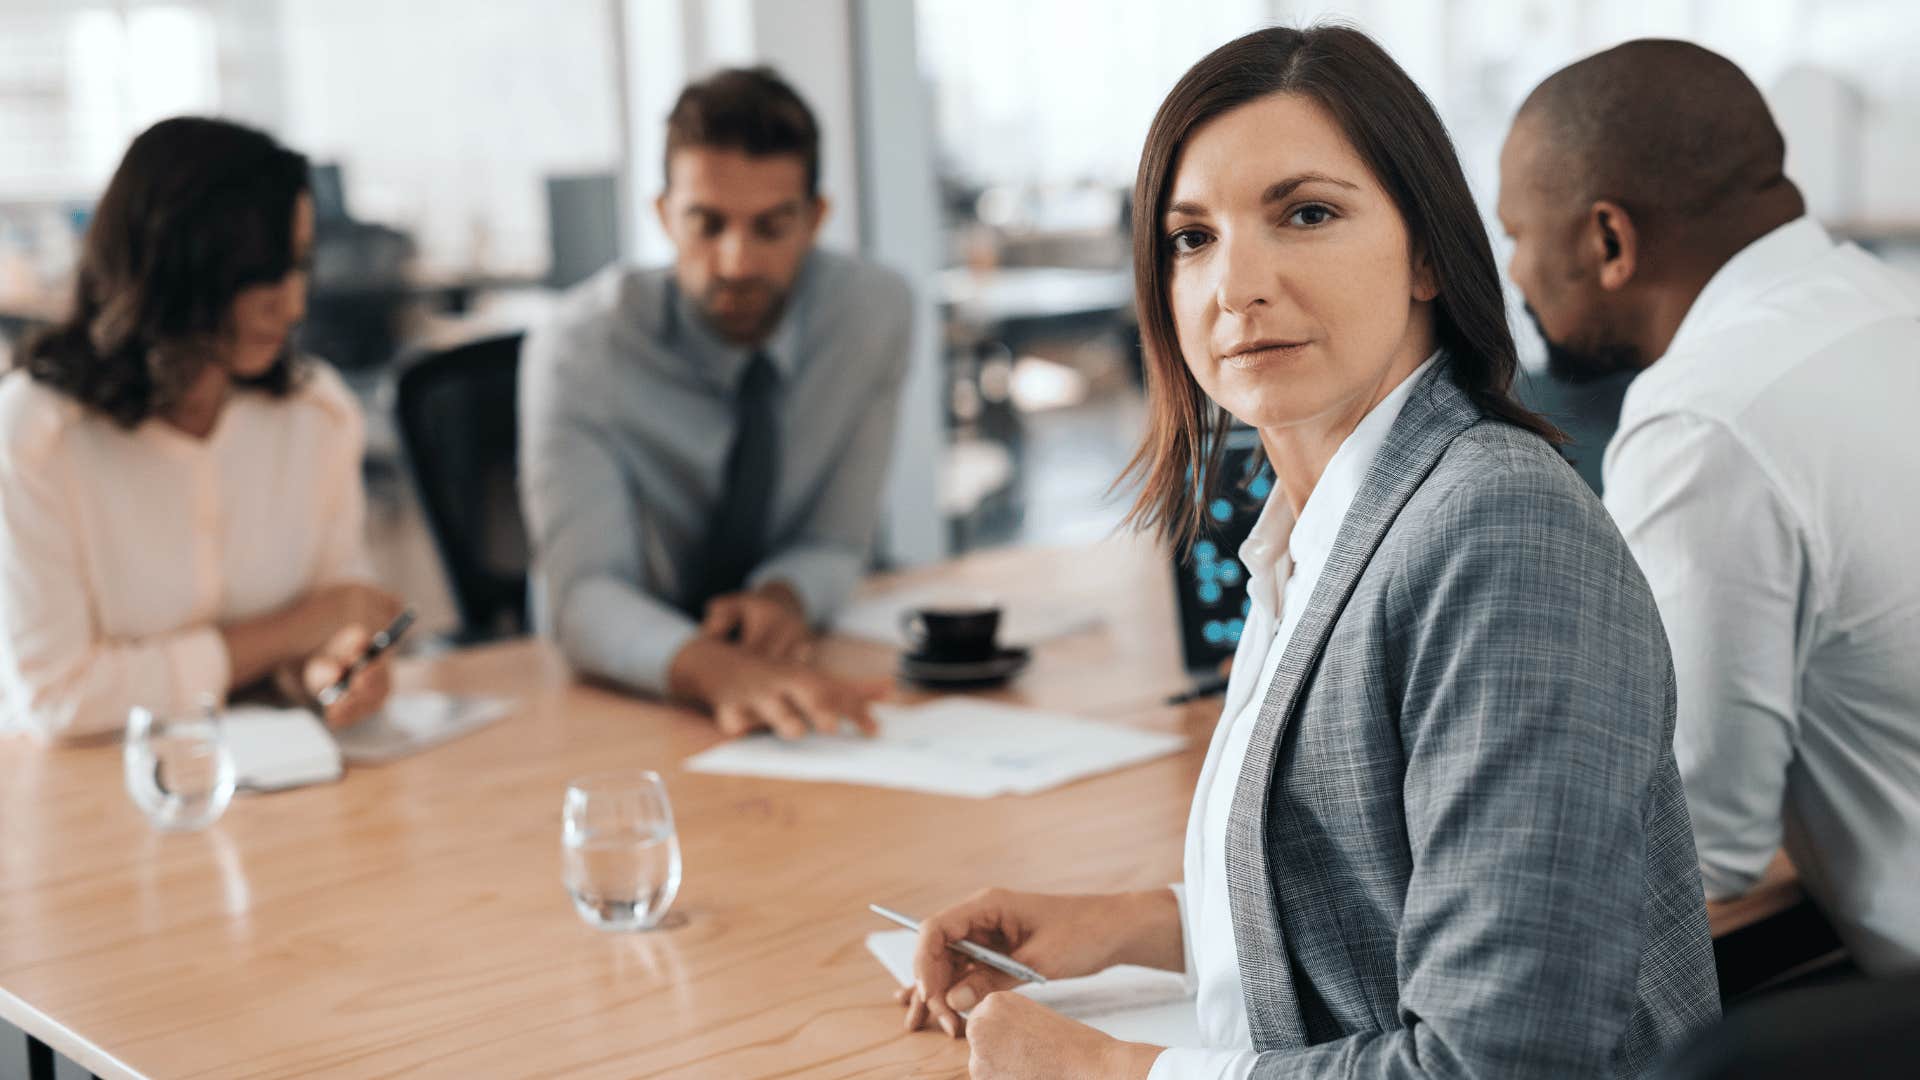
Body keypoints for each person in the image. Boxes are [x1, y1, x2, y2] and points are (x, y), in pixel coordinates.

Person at [896, 26, 1719, 1078]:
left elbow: (1501, 1065)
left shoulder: (1499, 531)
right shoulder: (1322, 520)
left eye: (1308, 214)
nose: (1235, 284)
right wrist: (1141, 926)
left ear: (1428, 251)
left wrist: (1107, 1071)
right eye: (1191, 237)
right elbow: (1389, 887)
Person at [1498, 39, 1920, 976]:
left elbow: (1696, 845)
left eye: (1520, 234)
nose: (1516, 275)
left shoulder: (1702, 419)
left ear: (1608, 240)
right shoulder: (1892, 309)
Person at [520, 66, 909, 739]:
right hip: (621, 695)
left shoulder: (872, 315)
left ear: (815, 219)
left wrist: (784, 598)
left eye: (770, 226)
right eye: (706, 223)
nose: (735, 262)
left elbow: (835, 540)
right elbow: (584, 595)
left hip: (786, 674)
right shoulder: (577, 346)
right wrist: (717, 670)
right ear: (663, 215)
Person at [0, 117, 400, 742]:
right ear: (175, 269)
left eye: (298, 266)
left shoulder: (316, 412)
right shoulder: (38, 433)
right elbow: (57, 697)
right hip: (101, 796)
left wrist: (329, 670)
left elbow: (332, 621)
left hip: (288, 776)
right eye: (258, 274)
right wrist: (290, 632)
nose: (292, 305)